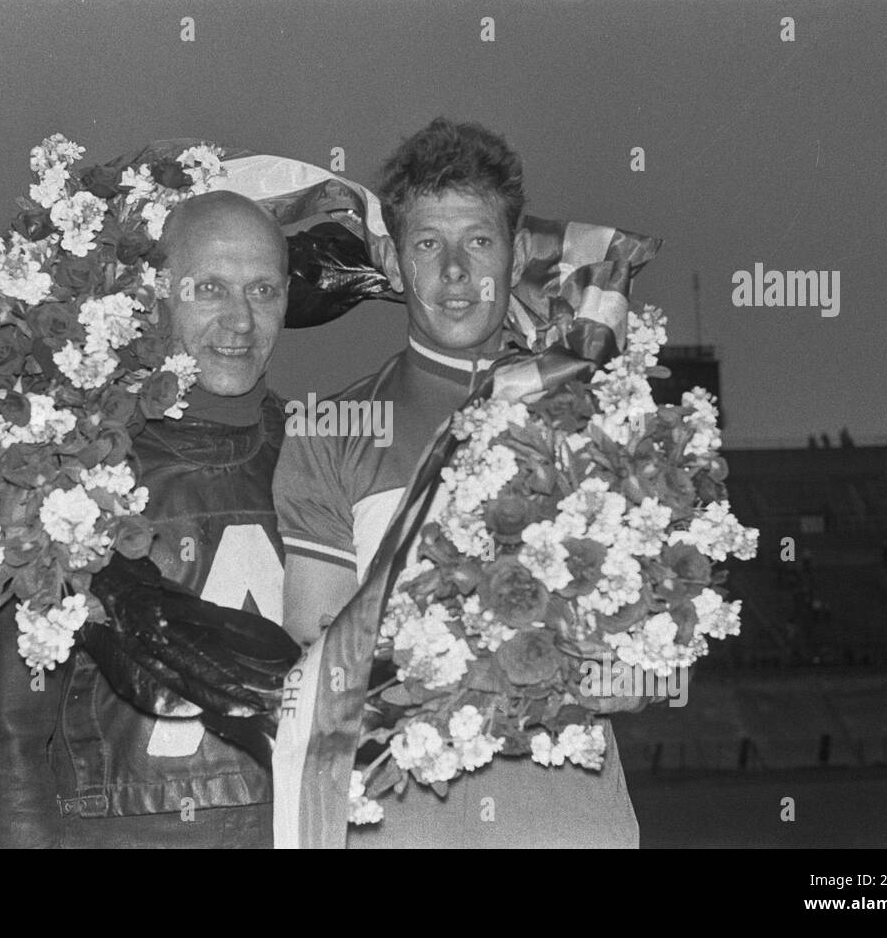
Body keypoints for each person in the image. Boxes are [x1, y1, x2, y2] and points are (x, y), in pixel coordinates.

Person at [273, 119, 640, 847]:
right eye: (426, 244)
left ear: (519, 251)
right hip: (400, 818)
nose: (453, 274)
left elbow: (634, 675)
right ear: (390, 257)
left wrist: (586, 675)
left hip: (570, 814)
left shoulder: (594, 411)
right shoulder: (331, 430)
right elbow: (314, 655)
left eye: (477, 241)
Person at [0, 190, 294, 848]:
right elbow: (1, 741)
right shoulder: (62, 466)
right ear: (158, 292)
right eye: (210, 288)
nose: (240, 320)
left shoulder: (324, 458)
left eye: (263, 290)